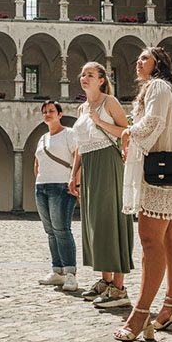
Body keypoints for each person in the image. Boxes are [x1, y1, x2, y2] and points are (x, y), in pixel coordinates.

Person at [113, 47, 172, 342]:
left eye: (144, 58)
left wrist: (128, 132)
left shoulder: (157, 85)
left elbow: (153, 125)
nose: (138, 62)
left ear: (159, 63)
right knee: (170, 238)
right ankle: (171, 308)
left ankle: (141, 314)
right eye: (138, 57)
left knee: (150, 240)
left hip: (159, 172)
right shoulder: (168, 88)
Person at [68, 62, 133, 310]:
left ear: (102, 80)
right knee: (95, 223)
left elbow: (126, 133)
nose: (84, 77)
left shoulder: (109, 102)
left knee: (110, 221)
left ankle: (119, 288)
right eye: (83, 73)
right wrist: (73, 174)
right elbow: (80, 146)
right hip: (90, 164)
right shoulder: (82, 107)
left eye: (91, 74)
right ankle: (105, 281)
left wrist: (100, 121)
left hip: (108, 162)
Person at [34, 100, 79, 292]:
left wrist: (74, 180)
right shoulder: (42, 138)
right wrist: (37, 180)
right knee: (50, 231)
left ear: (60, 114)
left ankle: (70, 274)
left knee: (62, 230)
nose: (47, 114)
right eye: (44, 112)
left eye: (51, 111)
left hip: (61, 186)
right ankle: (57, 271)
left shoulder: (68, 133)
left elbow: (78, 156)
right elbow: (37, 161)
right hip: (42, 187)